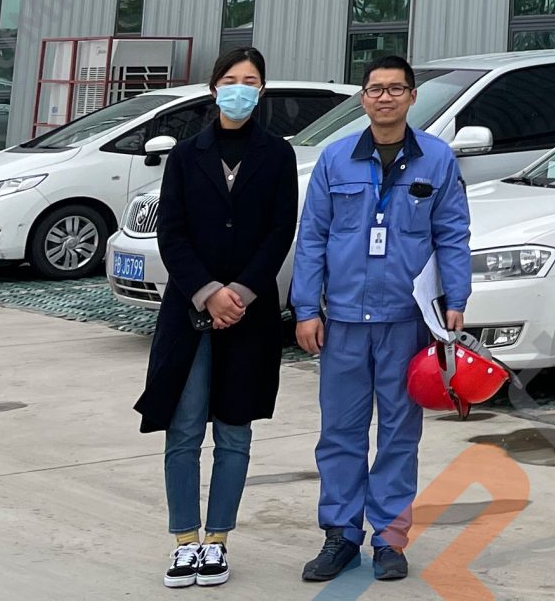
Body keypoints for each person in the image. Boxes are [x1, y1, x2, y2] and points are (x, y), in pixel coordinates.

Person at [291, 55, 474, 583]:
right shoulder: (335, 160)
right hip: (345, 321)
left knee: (399, 433)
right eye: (376, 89)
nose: (385, 97)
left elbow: (452, 233)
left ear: (412, 97)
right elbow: (312, 238)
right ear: (363, 98)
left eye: (396, 89)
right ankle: (341, 536)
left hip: (406, 321)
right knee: (340, 432)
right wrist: (306, 309)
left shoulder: (437, 159)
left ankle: (390, 540)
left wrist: (456, 299)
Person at [135, 46, 301, 589]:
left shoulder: (278, 155)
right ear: (214, 89)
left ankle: (218, 540)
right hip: (189, 311)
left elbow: (280, 231)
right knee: (184, 427)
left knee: (234, 429)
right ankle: (185, 539)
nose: (239, 89)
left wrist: (242, 292)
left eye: (250, 81)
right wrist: (208, 292)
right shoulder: (187, 155)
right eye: (230, 80)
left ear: (261, 90)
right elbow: (172, 233)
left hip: (249, 314)